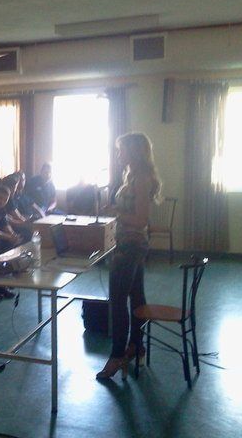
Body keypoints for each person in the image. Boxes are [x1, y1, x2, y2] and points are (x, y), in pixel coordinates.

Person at [96, 132, 162, 380]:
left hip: (131, 246)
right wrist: (116, 210)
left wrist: (116, 213)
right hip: (128, 243)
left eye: (121, 150)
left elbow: (141, 219)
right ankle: (136, 345)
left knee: (118, 301)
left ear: (133, 151)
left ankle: (117, 355)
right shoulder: (132, 176)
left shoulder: (141, 178)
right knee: (136, 298)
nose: (118, 154)